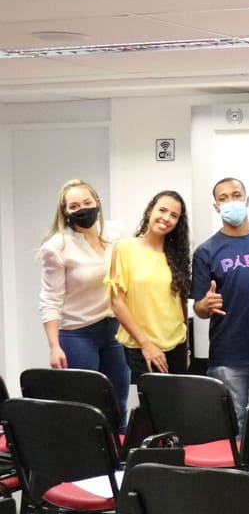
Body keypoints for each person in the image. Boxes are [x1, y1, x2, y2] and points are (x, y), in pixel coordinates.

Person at [37, 179, 130, 423]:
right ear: (65, 212)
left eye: (87, 202)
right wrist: (54, 346)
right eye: (74, 206)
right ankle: (86, 460)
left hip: (112, 330)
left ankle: (118, 460)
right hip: (77, 333)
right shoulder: (56, 247)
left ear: (97, 203)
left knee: (118, 401)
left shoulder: (115, 233)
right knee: (86, 406)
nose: (82, 209)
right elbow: (50, 299)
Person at [191, 177, 249, 435]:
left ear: (247, 200)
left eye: (236, 195)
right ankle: (236, 475)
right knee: (231, 426)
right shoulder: (206, 252)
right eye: (224, 198)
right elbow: (199, 308)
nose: (231, 202)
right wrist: (204, 305)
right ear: (216, 206)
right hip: (228, 354)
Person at [106, 190, 191, 379]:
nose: (166, 218)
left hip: (176, 344)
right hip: (140, 346)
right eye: (162, 210)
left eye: (174, 216)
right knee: (150, 406)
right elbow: (117, 303)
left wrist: (187, 349)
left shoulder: (177, 254)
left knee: (177, 407)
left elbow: (180, 303)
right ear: (149, 211)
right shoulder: (124, 248)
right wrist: (146, 344)